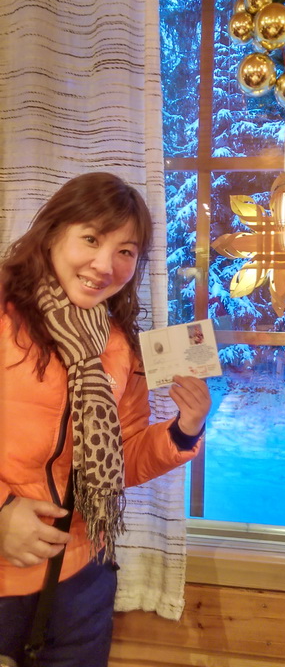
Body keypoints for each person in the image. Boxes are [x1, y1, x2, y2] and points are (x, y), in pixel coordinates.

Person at [0, 172, 211, 667]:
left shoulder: (118, 346)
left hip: (81, 578)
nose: (105, 265)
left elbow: (123, 456)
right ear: (53, 233)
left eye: (125, 251)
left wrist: (184, 429)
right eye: (92, 239)